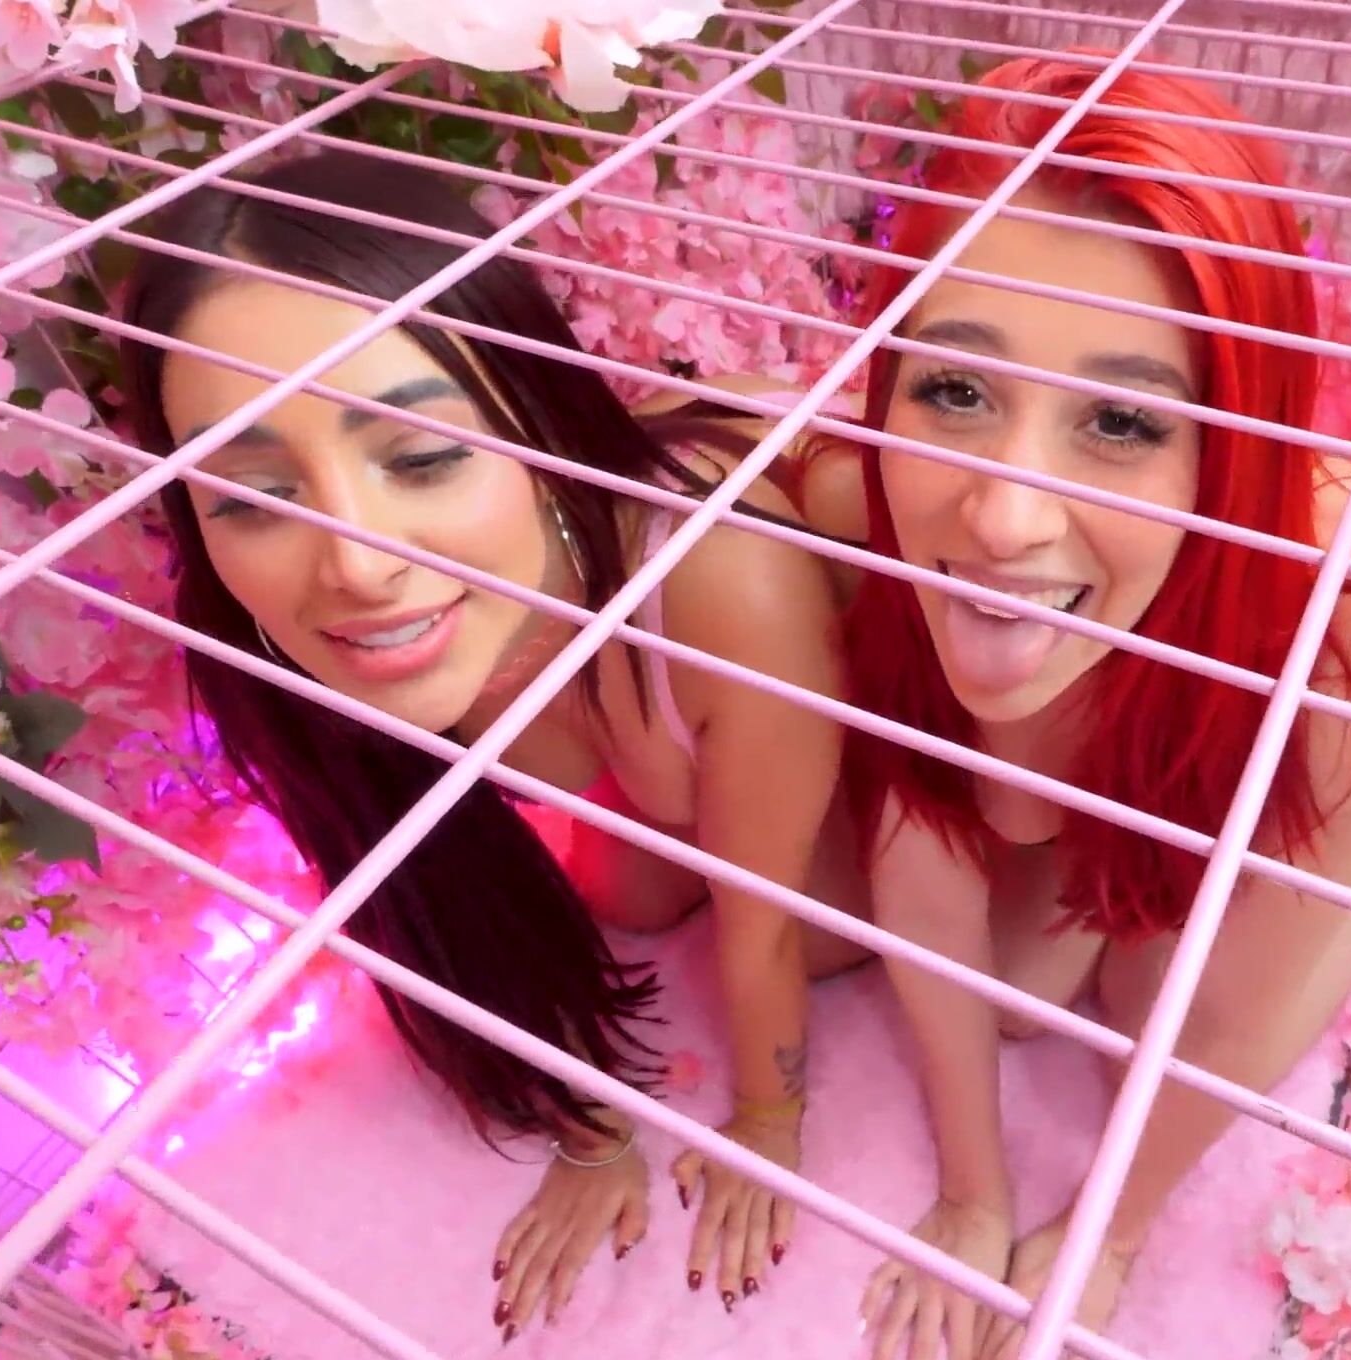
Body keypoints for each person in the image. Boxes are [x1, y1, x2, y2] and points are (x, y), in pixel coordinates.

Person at [794, 56, 1351, 1359]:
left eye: (1122, 422)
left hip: (1253, 812)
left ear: (1230, 441)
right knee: (1015, 993)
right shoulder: (861, 494)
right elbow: (928, 825)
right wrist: (972, 1193)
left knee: (1149, 1015)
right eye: (955, 389)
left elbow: (1249, 1001)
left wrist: (1106, 1232)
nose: (1002, 517)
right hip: (1079, 783)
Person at [112, 150, 873, 1343]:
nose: (355, 563)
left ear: (528, 420)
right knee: (623, 894)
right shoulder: (279, 643)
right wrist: (589, 1128)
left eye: (421, 458)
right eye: (250, 496)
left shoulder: (720, 579)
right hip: (650, 716)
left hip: (858, 725)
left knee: (810, 930)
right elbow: (453, 898)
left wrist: (767, 1126)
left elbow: (763, 923)